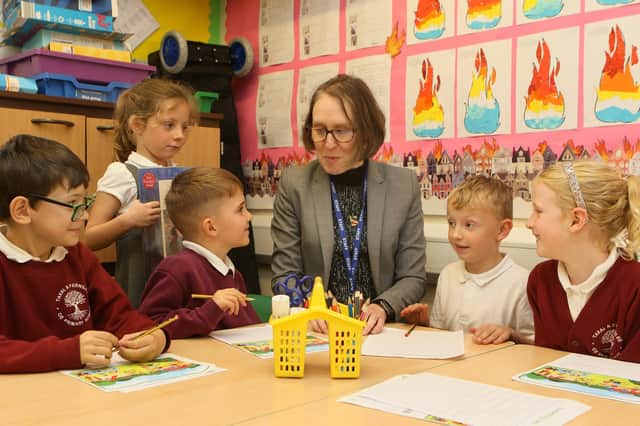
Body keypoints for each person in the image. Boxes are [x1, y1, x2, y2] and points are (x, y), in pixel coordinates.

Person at [271, 74, 427, 335]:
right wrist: (309, 307)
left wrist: (383, 307)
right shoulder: (294, 184)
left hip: (379, 332)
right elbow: (284, 274)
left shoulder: (403, 186)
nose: (328, 144)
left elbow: (412, 277)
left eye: (341, 131)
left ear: (366, 132)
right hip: (317, 330)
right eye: (320, 130)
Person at [0, 135, 168, 374]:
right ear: (22, 210)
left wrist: (154, 336)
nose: (86, 216)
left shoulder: (76, 254)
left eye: (85, 202)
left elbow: (119, 316)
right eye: (72, 204)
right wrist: (69, 352)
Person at [84, 78, 199, 307]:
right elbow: (89, 238)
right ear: (137, 125)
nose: (179, 135)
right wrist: (128, 220)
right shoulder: (123, 173)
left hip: (178, 286)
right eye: (169, 125)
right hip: (140, 291)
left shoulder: (178, 174)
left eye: (184, 127)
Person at [526, 161, 640, 362]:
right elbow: (544, 363)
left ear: (576, 220)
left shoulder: (635, 286)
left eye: (538, 211)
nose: (529, 223)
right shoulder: (540, 280)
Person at [400, 176, 534, 344]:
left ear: (502, 230)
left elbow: (535, 347)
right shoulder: (448, 274)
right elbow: (442, 334)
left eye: (469, 225)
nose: (456, 234)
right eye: (451, 223)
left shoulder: (522, 283)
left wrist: (510, 334)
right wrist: (423, 324)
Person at [139, 167, 260, 338]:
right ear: (211, 227)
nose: (249, 216)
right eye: (240, 210)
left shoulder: (232, 273)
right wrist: (210, 310)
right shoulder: (178, 268)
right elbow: (151, 326)